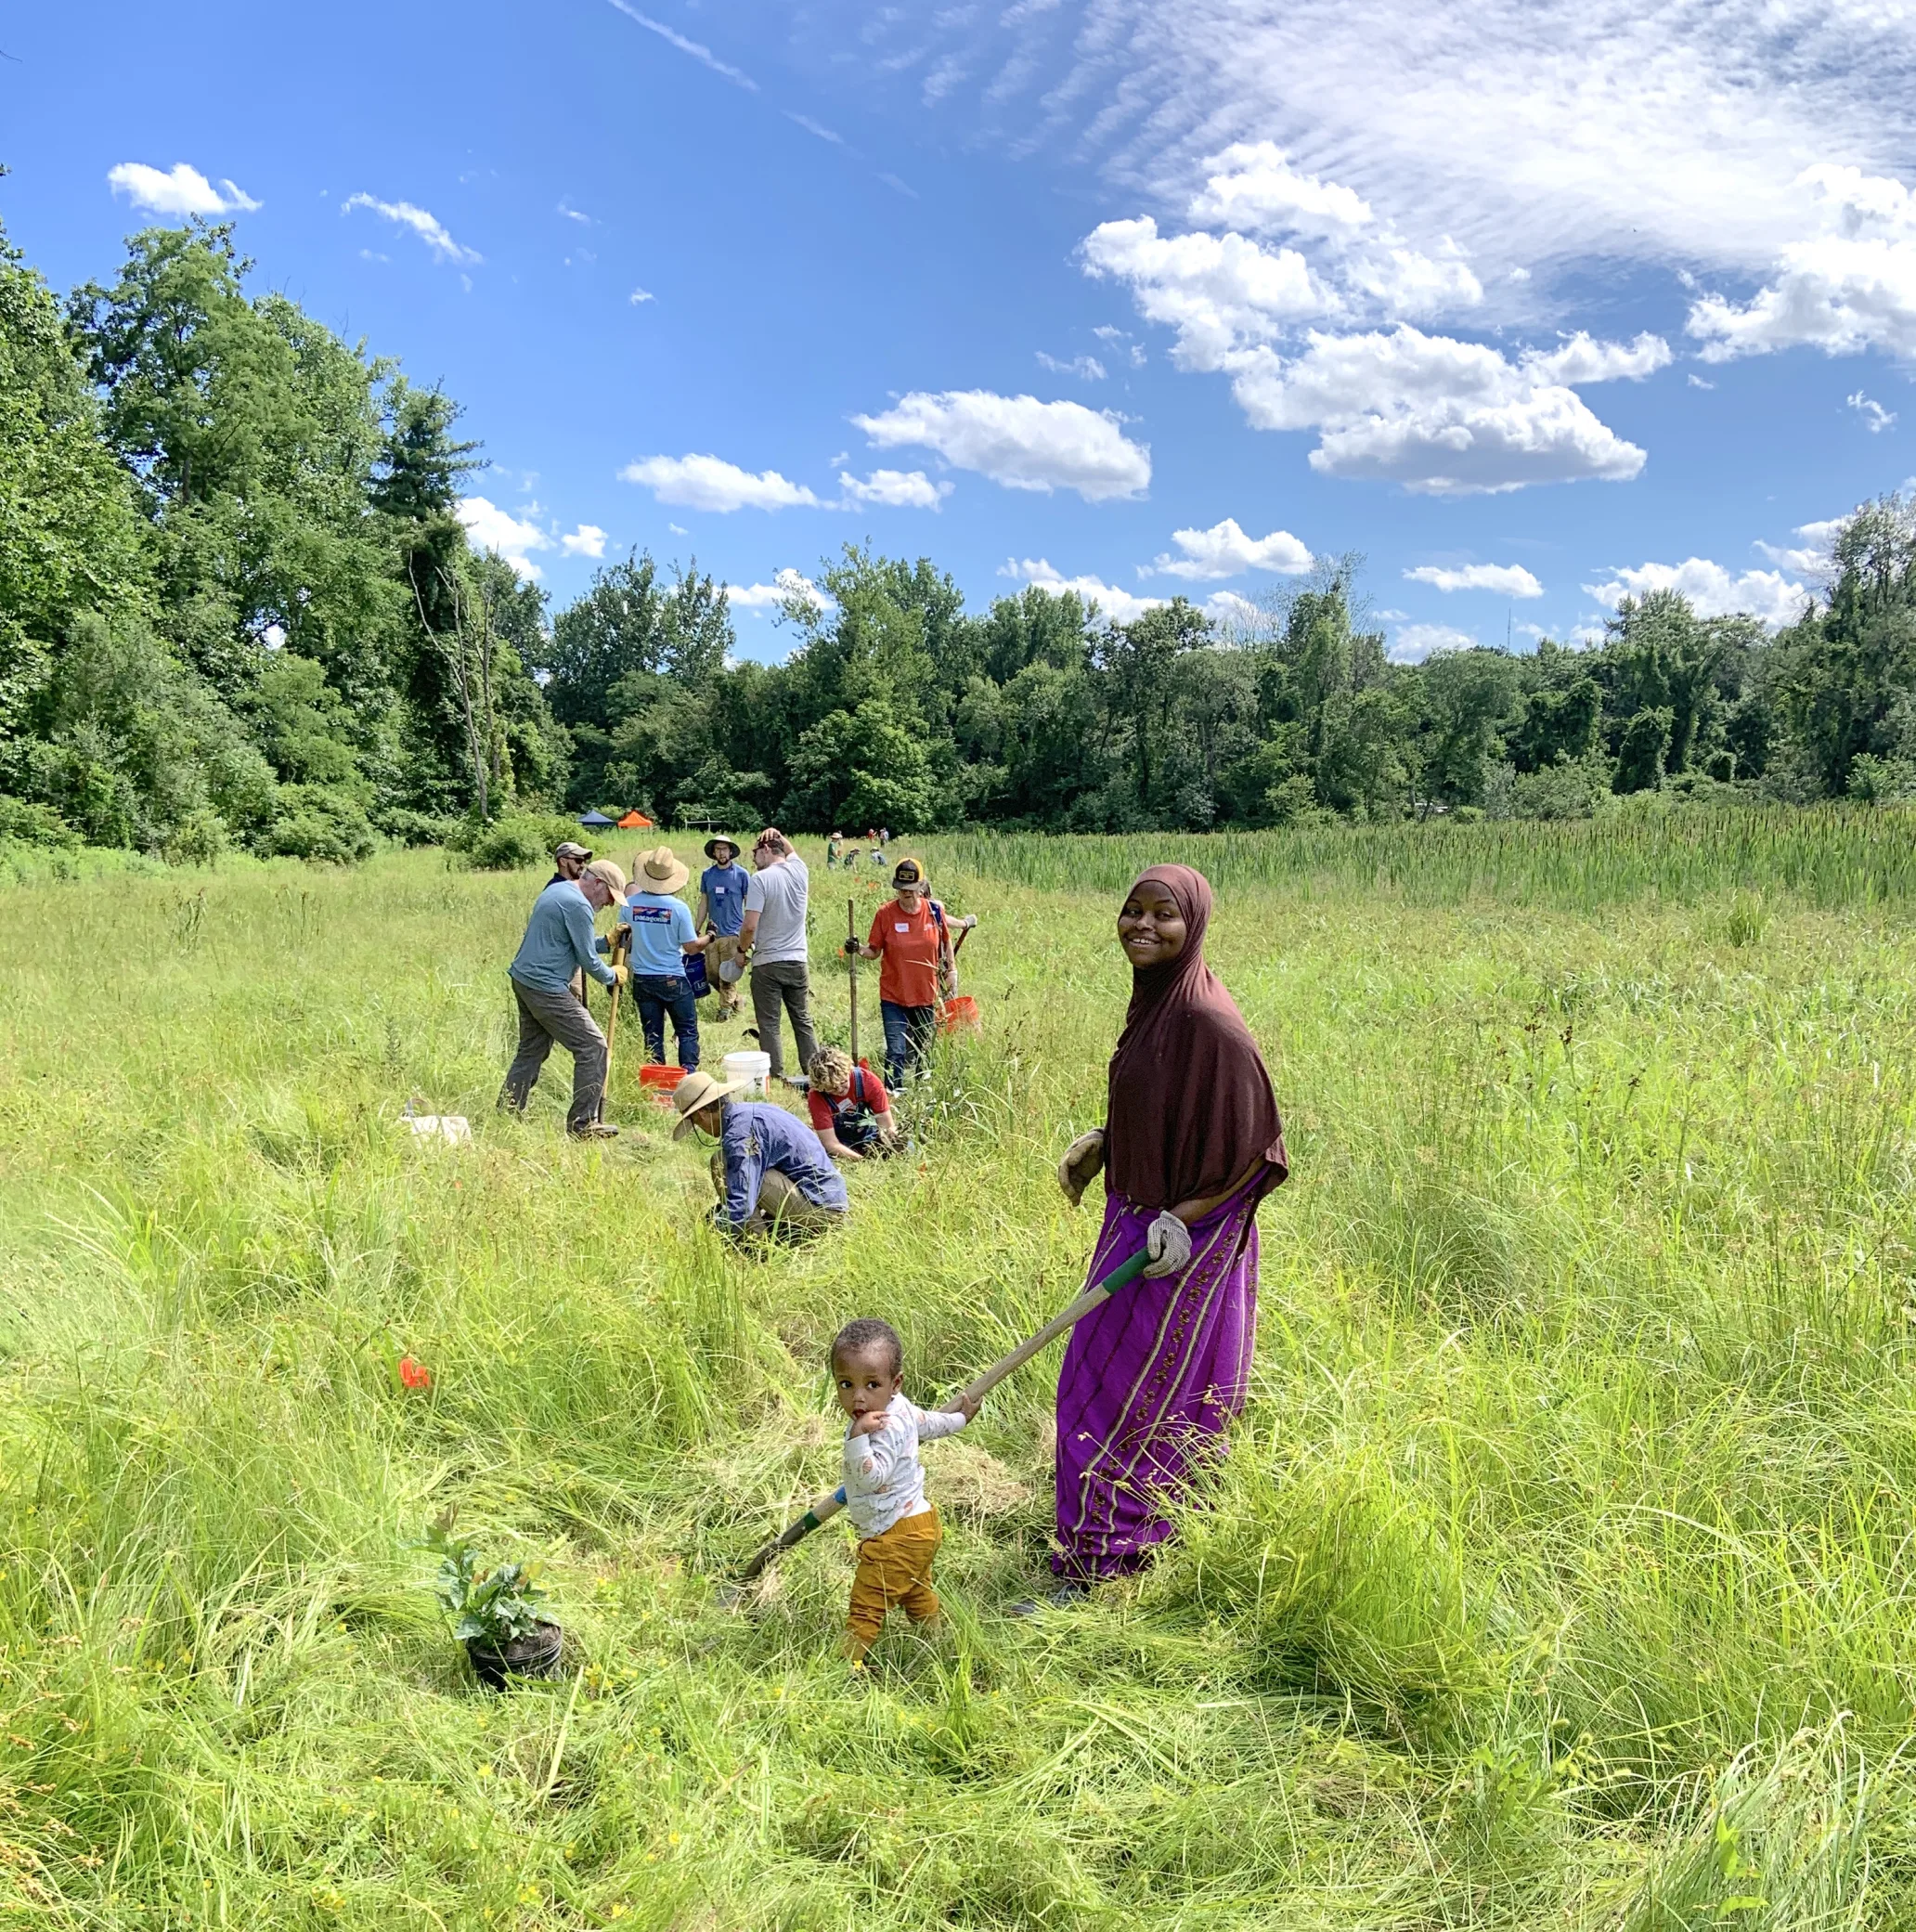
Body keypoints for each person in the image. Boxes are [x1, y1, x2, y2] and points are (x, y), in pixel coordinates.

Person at [1035, 864, 1288, 1609]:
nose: (1142, 926)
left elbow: (1257, 1151)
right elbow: (1174, 1104)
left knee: (1111, 1393)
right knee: (1114, 1387)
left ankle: (1103, 1564)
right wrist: (1110, 1140)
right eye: (1132, 910)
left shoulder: (1210, 1022)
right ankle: (1140, 1535)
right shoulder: (1159, 1002)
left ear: (1195, 926)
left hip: (1179, 1238)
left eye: (1163, 915)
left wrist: (1182, 1218)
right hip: (1139, 1215)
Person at [830, 1316, 981, 1666]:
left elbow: (872, 1476)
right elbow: (929, 1423)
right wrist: (961, 1419)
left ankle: (844, 1669)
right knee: (914, 1591)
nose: (859, 1398)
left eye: (872, 1385)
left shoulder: (881, 1428)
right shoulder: (902, 1408)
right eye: (846, 1384)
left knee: (866, 1605)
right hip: (918, 1527)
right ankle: (937, 1642)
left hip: (894, 1535)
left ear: (894, 1383)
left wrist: (857, 1439)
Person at [499, 857, 629, 1139]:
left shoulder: (558, 891)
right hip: (545, 987)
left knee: (531, 1051)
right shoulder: (578, 904)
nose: (609, 904)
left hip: (525, 979)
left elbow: (569, 943)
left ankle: (507, 1113)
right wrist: (613, 976)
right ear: (597, 883)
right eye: (609, 896)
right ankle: (583, 1125)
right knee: (594, 1047)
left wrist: (606, 942)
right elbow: (586, 959)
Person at [669, 1069, 848, 1238]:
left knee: (724, 1165)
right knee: (733, 1167)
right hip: (825, 1199)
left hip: (822, 1209)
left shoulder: (739, 1133)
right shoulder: (748, 1112)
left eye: (696, 1124)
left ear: (701, 1114)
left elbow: (743, 1199)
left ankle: (754, 1245)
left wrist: (717, 1229)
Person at [849, 857, 977, 1088]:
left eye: (910, 889)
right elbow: (873, 952)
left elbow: (946, 942)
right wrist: (858, 949)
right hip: (893, 995)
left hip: (926, 994)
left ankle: (922, 1092)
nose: (905, 894)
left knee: (923, 1048)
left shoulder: (935, 911)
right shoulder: (885, 914)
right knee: (896, 1050)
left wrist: (952, 971)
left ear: (921, 887)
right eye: (901, 889)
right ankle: (893, 1093)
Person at [738, 827, 817, 1089]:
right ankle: (814, 1072)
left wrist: (741, 951)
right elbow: (791, 851)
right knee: (802, 1019)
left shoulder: (760, 880)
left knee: (769, 1023)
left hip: (768, 961)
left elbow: (749, 926)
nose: (753, 858)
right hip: (797, 959)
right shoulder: (800, 871)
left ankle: (777, 1076)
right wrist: (780, 834)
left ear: (767, 850)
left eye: (755, 851)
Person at [620, 845, 709, 1072]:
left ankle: (656, 1081)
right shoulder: (678, 908)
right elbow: (691, 948)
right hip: (672, 977)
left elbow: (625, 941)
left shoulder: (628, 905)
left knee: (652, 1034)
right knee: (687, 1030)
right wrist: (710, 937)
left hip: (643, 979)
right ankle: (689, 1077)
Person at [807, 1047, 900, 1160]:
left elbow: (886, 1125)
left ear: (849, 1070)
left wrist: (889, 1142)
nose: (840, 1089)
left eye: (843, 1082)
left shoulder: (869, 1081)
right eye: (832, 1089)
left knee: (908, 1147)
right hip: (840, 1144)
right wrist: (861, 1160)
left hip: (870, 1136)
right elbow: (830, 1143)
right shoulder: (816, 1096)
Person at [695, 836, 749, 1021]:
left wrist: (749, 933)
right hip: (713, 934)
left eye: (724, 849)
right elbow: (704, 903)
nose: (721, 852)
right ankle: (737, 1000)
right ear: (713, 852)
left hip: (733, 933)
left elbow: (749, 904)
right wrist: (697, 928)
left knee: (727, 976)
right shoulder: (707, 875)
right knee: (711, 975)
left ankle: (724, 1011)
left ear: (731, 852)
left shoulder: (741, 875)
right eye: (718, 849)